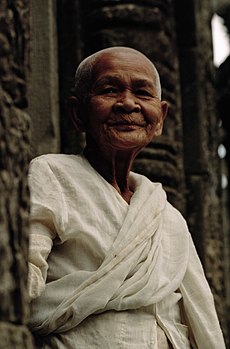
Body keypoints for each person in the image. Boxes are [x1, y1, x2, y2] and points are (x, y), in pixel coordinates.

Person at [27, 46, 226, 349]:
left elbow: (201, 319)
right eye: (110, 90)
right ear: (78, 113)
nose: (128, 104)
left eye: (143, 94)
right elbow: (22, 277)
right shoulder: (53, 174)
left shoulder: (167, 215)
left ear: (160, 118)